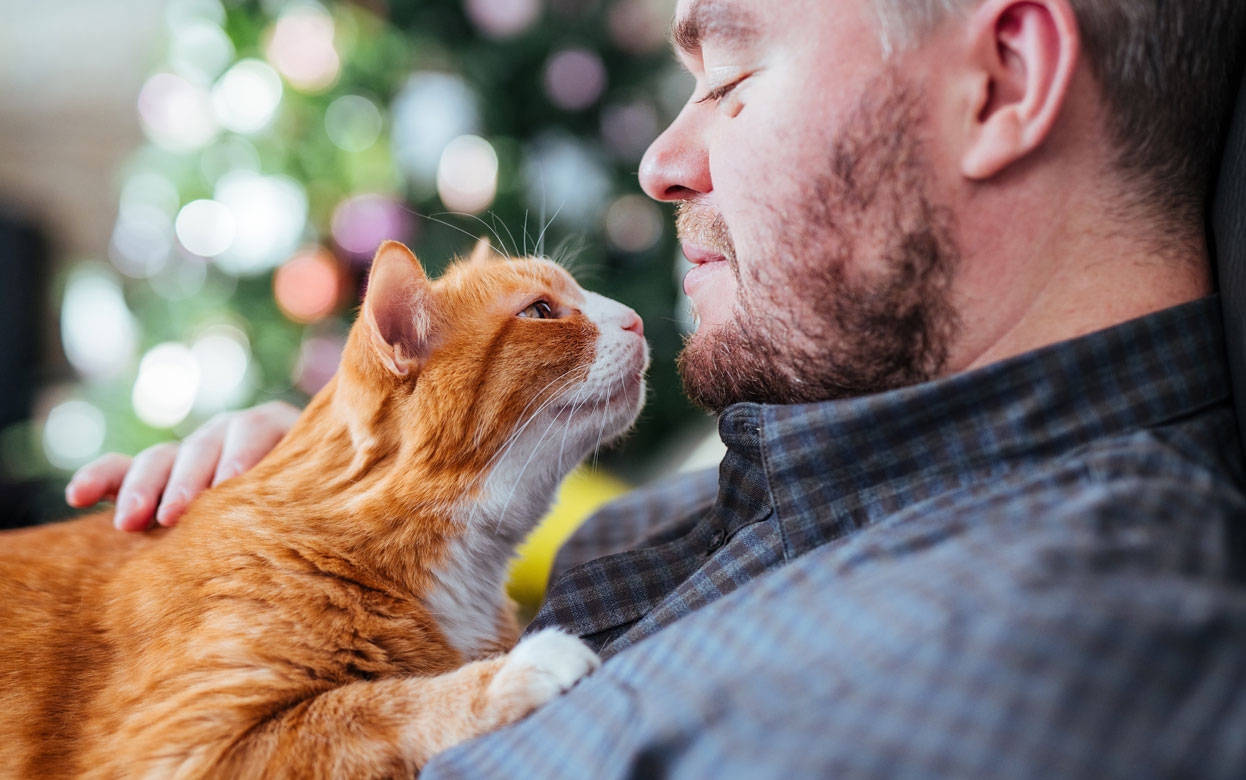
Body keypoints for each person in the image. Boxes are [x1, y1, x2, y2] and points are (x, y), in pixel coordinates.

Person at [67, 0, 1246, 775]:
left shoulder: (1012, 662)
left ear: (999, 80)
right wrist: (324, 519)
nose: (661, 162)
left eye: (729, 74)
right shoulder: (783, 496)